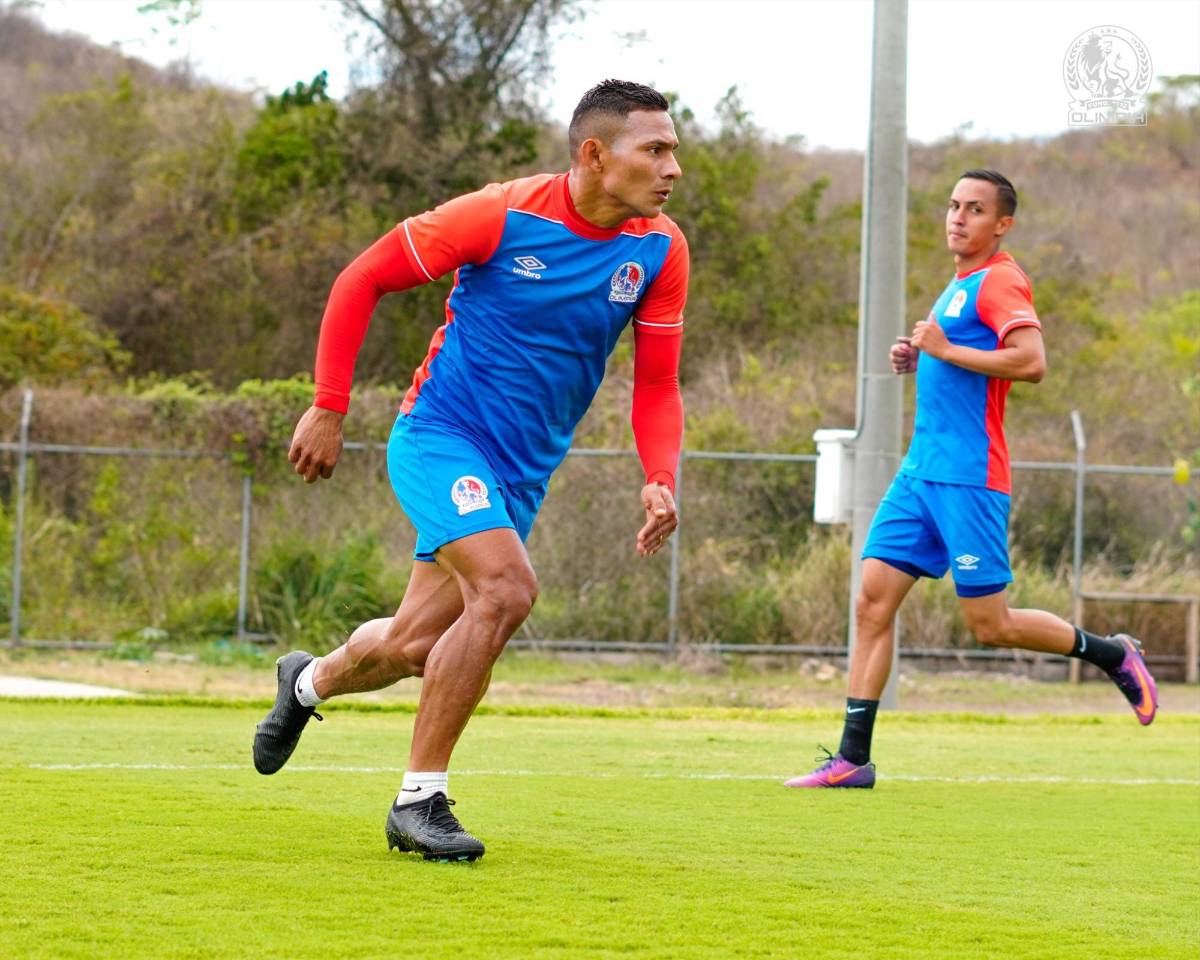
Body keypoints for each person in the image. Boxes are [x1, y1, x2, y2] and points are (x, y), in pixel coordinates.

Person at [252, 80, 689, 858]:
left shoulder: (659, 247)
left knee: (418, 647)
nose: (672, 169)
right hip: (440, 438)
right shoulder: (497, 213)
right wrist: (328, 404)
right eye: (654, 149)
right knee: (506, 588)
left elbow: (656, 384)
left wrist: (660, 473)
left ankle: (308, 681)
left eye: (673, 151)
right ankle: (420, 801)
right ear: (594, 154)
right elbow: (363, 278)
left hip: (522, 472)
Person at [786, 169, 1158, 790]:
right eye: (954, 206)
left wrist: (945, 350)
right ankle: (853, 759)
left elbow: (1031, 362)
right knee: (872, 601)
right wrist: (918, 356)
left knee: (990, 624)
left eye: (975, 209)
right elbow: (955, 358)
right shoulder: (957, 284)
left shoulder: (1001, 279)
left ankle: (1115, 655)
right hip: (920, 474)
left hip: (969, 478)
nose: (958, 217)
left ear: (1002, 224)